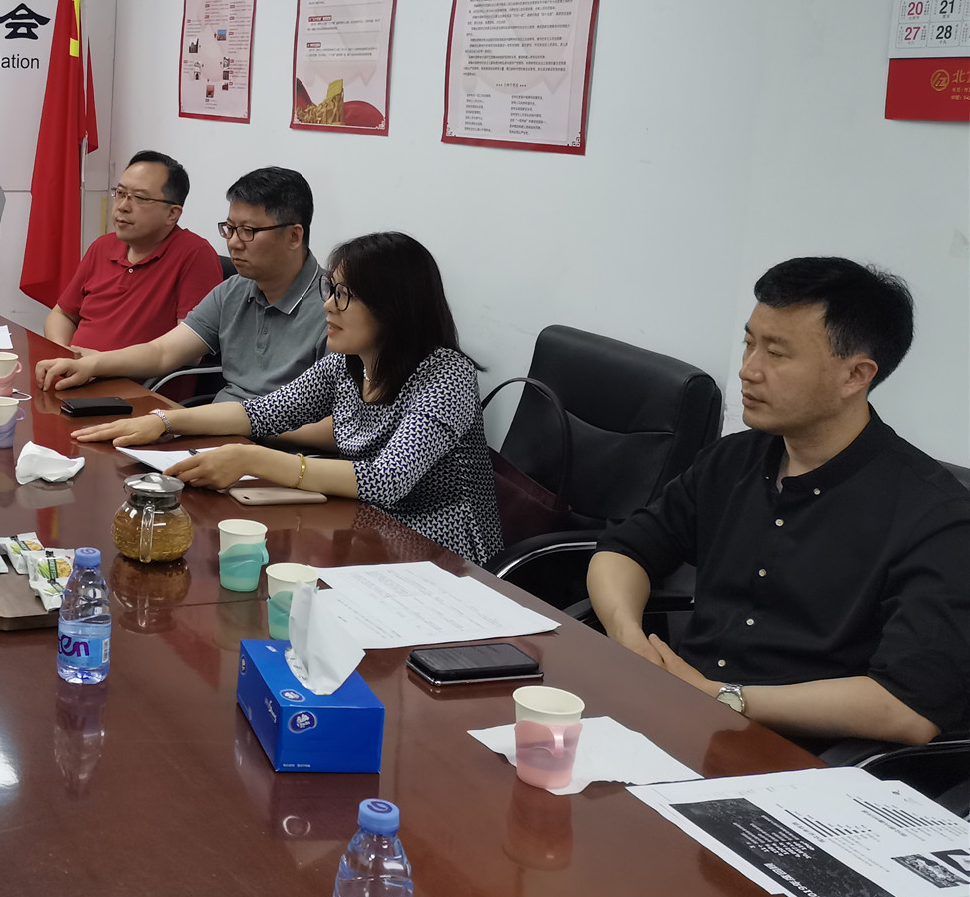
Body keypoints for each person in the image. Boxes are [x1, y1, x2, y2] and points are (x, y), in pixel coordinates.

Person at [587, 258, 969, 746]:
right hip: (676, 711)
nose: (748, 370)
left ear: (855, 375)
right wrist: (630, 640)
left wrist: (723, 697)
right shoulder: (733, 460)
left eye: (777, 354)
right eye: (749, 343)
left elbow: (908, 708)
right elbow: (624, 550)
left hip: (801, 758)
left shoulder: (935, 516)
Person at [74, 231, 503, 567]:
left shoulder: (446, 375)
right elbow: (263, 412)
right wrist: (166, 421)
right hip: (361, 526)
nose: (328, 306)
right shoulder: (349, 363)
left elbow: (386, 480)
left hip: (441, 550)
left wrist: (254, 459)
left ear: (392, 307)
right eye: (329, 290)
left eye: (343, 295)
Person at [36, 166, 325, 403]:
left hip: (273, 446)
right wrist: (89, 364)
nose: (234, 243)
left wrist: (233, 422)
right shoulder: (234, 291)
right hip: (218, 431)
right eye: (230, 229)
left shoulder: (333, 306)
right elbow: (162, 352)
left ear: (294, 236)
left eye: (248, 231)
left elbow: (337, 426)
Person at [43, 150, 223, 353]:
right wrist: (64, 353)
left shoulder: (194, 254)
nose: (122, 206)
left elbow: (189, 349)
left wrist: (98, 363)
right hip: (75, 368)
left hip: (132, 374)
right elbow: (62, 315)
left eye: (139, 198)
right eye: (120, 194)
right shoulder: (102, 246)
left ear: (172, 214)